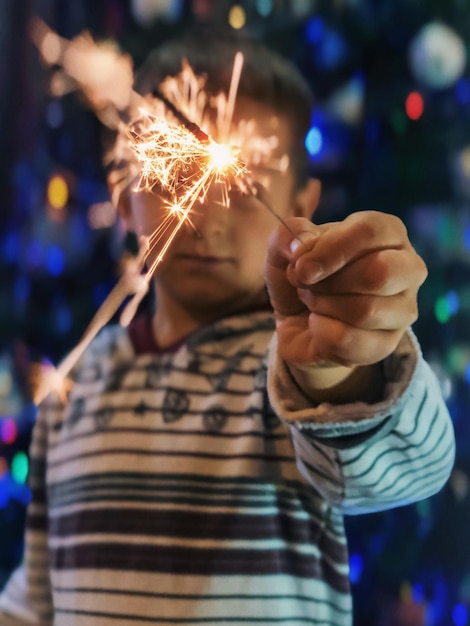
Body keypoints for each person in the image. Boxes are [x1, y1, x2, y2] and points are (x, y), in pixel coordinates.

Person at [0, 26, 455, 626]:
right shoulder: (75, 387)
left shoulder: (294, 368)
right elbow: (35, 598)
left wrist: (336, 371)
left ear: (303, 200)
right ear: (125, 189)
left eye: (246, 190)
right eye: (169, 178)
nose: (203, 221)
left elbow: (411, 468)